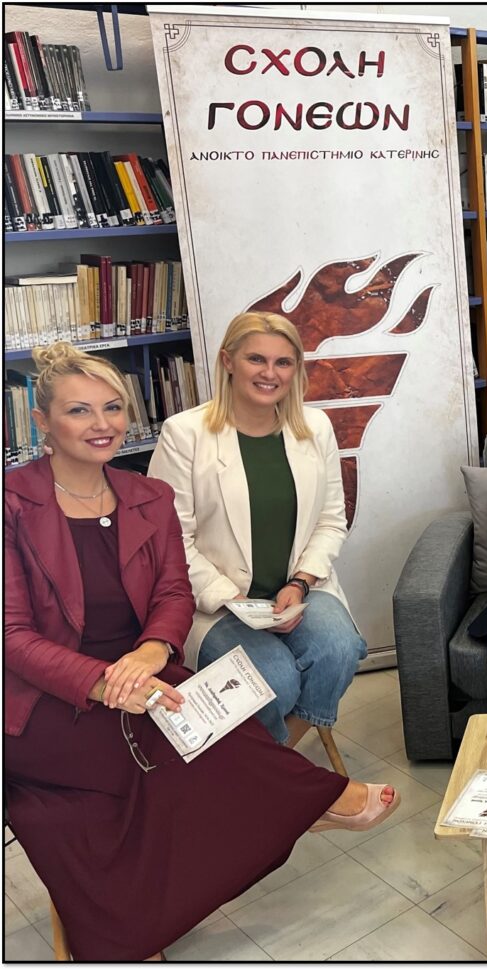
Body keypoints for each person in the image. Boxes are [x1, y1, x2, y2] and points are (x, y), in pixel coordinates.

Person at [3, 342, 400, 961]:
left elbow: (172, 593)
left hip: (145, 671)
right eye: (79, 411)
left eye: (112, 408)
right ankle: (298, 806)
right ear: (41, 421)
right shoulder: (11, 505)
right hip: (46, 698)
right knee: (145, 765)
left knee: (220, 727)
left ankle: (288, 809)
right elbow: (13, 636)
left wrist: (153, 649)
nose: (102, 424)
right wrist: (105, 682)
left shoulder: (147, 497)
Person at [148, 311, 365, 747]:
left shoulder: (315, 428)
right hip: (216, 603)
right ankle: (273, 768)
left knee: (340, 649)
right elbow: (170, 540)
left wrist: (301, 584)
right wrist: (234, 601)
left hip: (298, 592)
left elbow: (330, 520)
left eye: (283, 362)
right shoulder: (185, 434)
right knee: (274, 682)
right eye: (256, 360)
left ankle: (275, 760)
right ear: (228, 361)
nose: (270, 374)